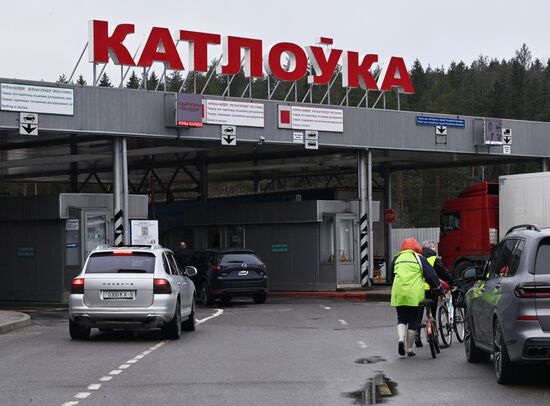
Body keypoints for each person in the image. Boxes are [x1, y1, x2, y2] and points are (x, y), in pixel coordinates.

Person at [390, 238, 444, 357]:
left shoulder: (396, 258)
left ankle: (400, 339)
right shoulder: (419, 258)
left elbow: (391, 277)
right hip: (414, 294)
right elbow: (431, 275)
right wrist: (439, 288)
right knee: (413, 320)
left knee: (401, 318)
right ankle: (409, 348)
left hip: (399, 293)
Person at [415, 240, 454, 348]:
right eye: (434, 247)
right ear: (431, 248)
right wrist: (452, 280)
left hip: (419, 290)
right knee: (432, 312)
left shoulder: (418, 258)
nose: (435, 249)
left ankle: (417, 335)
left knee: (419, 312)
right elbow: (443, 272)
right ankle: (434, 335)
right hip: (432, 290)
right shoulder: (434, 260)